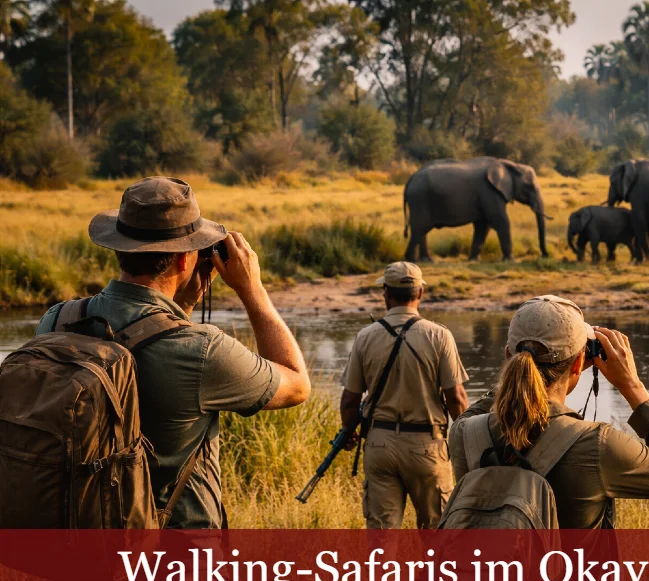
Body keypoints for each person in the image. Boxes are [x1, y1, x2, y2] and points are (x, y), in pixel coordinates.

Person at [36, 176, 311, 534]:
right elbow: (297, 384)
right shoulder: (203, 351)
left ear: (119, 248)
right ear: (185, 259)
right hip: (173, 567)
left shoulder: (57, 320)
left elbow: (153, 339)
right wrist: (252, 290)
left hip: (80, 555)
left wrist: (182, 305)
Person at [450, 295, 649, 530]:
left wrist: (518, 370)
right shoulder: (596, 443)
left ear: (508, 357)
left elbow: (470, 414)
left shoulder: (465, 433)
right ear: (579, 363)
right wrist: (631, 385)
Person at [340, 262, 470, 529]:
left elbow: (350, 399)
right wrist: (466, 440)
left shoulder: (365, 336)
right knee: (437, 535)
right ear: (420, 293)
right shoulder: (439, 336)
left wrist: (348, 431)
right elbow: (456, 397)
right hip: (427, 446)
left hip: (380, 445)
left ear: (386, 294)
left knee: (382, 538)